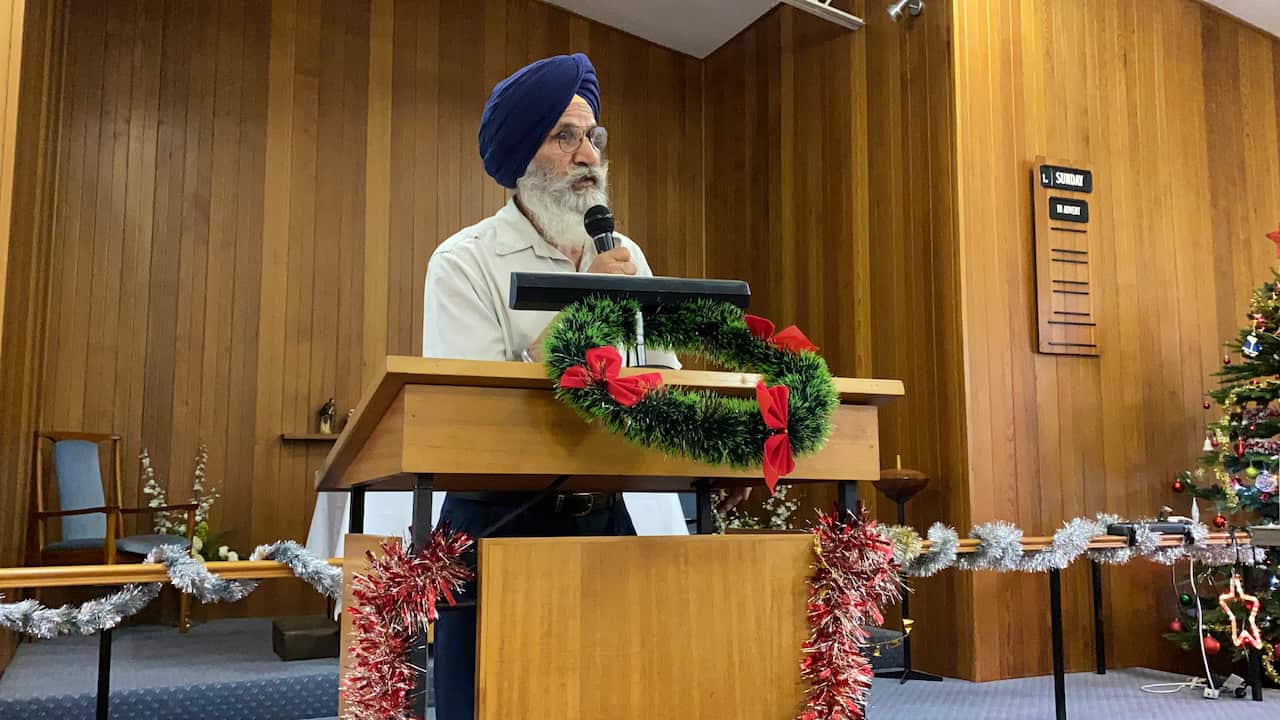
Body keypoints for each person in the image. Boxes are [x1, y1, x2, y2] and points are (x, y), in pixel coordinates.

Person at [421, 53, 746, 720]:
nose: (587, 155)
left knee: (615, 696)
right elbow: (469, 416)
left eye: (593, 136)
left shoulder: (622, 253)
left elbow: (664, 379)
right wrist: (592, 303)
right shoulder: (464, 261)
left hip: (606, 513)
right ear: (521, 157)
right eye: (564, 136)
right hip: (495, 527)